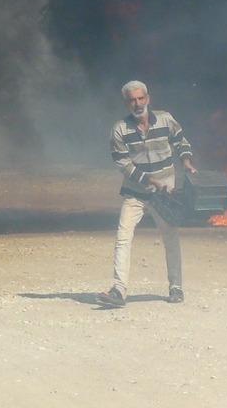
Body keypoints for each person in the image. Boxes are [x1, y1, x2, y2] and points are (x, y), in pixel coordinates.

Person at [97, 80, 196, 307]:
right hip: (136, 193)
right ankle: (119, 290)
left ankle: (176, 287)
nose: (137, 103)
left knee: (170, 237)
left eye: (141, 98)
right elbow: (124, 164)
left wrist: (187, 162)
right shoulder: (119, 130)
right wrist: (150, 181)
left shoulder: (165, 120)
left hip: (165, 194)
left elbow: (181, 141)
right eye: (132, 100)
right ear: (126, 103)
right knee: (123, 237)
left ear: (148, 99)